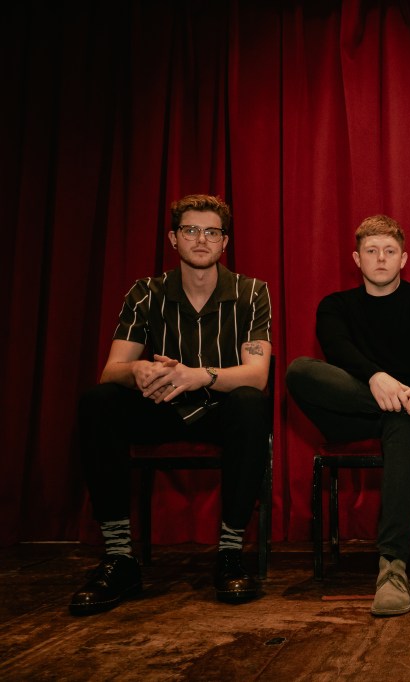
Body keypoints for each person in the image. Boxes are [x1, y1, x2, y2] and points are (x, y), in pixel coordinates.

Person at [71, 194, 272, 616]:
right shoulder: (146, 292)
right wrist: (138, 369)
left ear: (224, 242)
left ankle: (230, 554)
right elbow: (111, 370)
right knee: (98, 401)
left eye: (211, 232)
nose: (201, 239)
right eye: (191, 230)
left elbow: (257, 374)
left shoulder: (252, 292)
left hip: (220, 411)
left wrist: (197, 375)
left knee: (251, 403)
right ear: (173, 238)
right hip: (161, 407)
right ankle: (120, 558)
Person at [286, 214, 410, 617]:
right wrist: (376, 378)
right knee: (300, 370)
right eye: (371, 251)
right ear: (357, 259)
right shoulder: (335, 306)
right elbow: (336, 348)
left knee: (400, 421)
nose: (381, 258)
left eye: (389, 251)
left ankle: (392, 568)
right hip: (351, 413)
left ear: (404, 258)